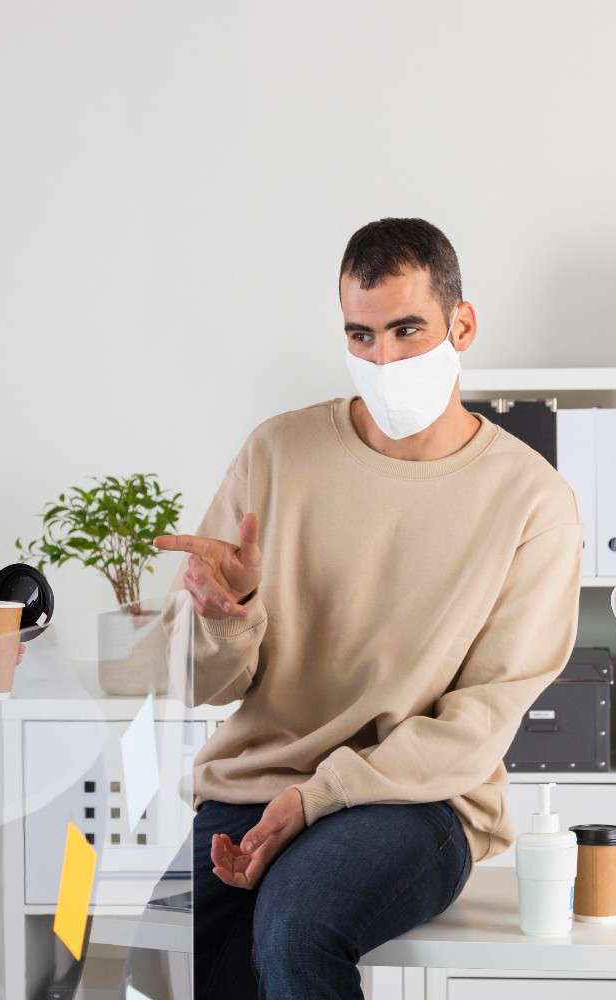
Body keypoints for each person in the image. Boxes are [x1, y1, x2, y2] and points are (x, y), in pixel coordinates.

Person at [155, 218, 583, 999]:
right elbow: (194, 684)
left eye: (406, 330)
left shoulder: (532, 501)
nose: (383, 360)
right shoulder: (277, 454)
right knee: (178, 955)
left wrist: (316, 797)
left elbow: (479, 718)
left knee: (295, 928)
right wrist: (230, 612)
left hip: (417, 800)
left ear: (463, 324)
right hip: (253, 784)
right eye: (361, 335)